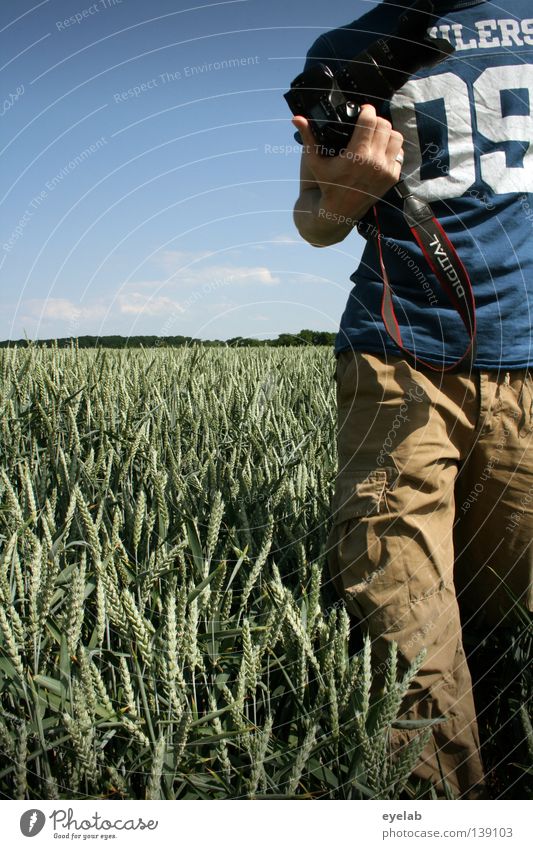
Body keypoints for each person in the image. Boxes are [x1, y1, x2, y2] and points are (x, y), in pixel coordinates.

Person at [291, 0, 533, 799]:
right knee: (402, 610)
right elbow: (314, 222)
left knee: (505, 600)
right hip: (396, 360)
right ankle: (440, 812)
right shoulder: (344, 50)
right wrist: (347, 191)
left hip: (526, 364)